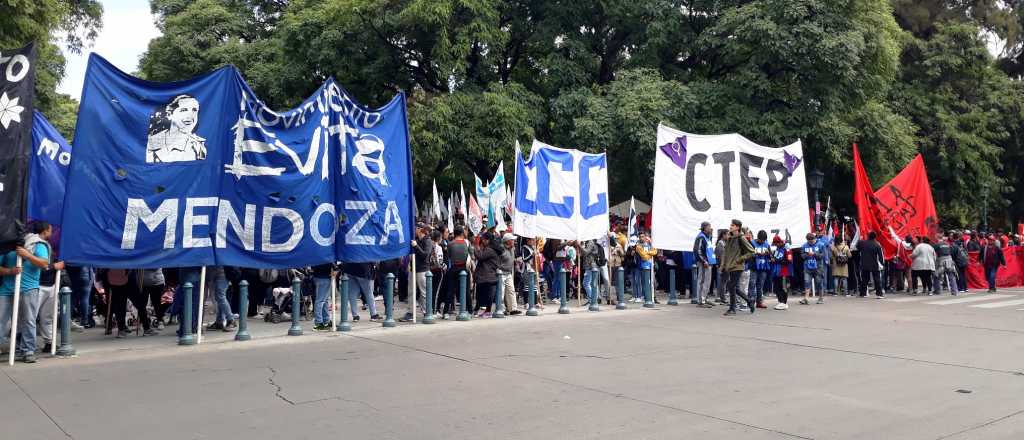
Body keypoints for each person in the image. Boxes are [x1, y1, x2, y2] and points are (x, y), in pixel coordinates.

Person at [1, 222, 60, 362]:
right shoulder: (6, 245)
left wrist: (27, 255)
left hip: (28, 288)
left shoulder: (37, 244)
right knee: (1, 320)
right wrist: (10, 271)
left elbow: (44, 263)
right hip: (7, 289)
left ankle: (27, 350)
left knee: (28, 320)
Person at [146, 94, 206, 163]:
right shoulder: (152, 141)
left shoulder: (198, 147)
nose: (190, 115)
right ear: (169, 115)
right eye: (183, 110)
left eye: (194, 110)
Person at [721, 220, 755, 316]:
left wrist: (740, 259)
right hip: (730, 266)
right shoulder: (730, 238)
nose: (730, 227)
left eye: (733, 225)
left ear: (737, 227)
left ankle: (732, 308)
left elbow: (752, 251)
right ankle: (749, 301)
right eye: (731, 225)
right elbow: (725, 253)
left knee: (731, 286)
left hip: (737, 266)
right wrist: (723, 265)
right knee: (733, 287)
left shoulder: (741, 238)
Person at [402, 225, 433, 322]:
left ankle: (427, 311)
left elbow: (425, 255)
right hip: (413, 269)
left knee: (424, 293)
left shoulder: (427, 241)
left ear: (420, 230)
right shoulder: (416, 240)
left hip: (422, 270)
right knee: (411, 291)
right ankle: (411, 312)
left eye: (416, 229)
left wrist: (416, 246)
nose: (414, 230)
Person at [445, 227, 473, 317]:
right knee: (467, 291)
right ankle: (470, 311)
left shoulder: (450, 244)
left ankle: (445, 312)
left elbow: (449, 256)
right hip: (465, 269)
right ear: (461, 233)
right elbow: (471, 254)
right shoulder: (467, 243)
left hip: (453, 268)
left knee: (450, 291)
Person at [473, 232, 500, 317]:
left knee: (484, 294)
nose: (482, 241)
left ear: (488, 240)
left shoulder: (489, 250)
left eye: (484, 239)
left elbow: (480, 256)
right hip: (487, 275)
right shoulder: (490, 248)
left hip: (487, 276)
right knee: (482, 294)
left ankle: (486, 311)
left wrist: (476, 247)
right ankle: (481, 310)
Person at [692, 222, 716, 308]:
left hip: (709, 262)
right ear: (704, 228)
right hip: (704, 262)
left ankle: (704, 298)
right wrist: (704, 261)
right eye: (709, 227)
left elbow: (708, 248)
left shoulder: (707, 237)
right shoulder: (701, 237)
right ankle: (700, 301)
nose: (710, 228)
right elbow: (697, 251)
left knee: (707, 281)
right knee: (702, 281)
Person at [856, 231, 885, 298]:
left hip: (864, 264)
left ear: (868, 236)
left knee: (864, 279)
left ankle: (863, 293)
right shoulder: (877, 244)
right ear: (875, 237)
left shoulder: (863, 243)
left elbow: (857, 247)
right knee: (877, 279)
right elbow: (881, 256)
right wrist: (882, 264)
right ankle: (879, 294)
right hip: (874, 264)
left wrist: (860, 239)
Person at [799, 233, 825, 305]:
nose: (810, 242)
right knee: (807, 282)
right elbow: (802, 256)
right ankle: (806, 298)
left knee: (819, 282)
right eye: (809, 241)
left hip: (818, 268)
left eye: (812, 241)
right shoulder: (804, 246)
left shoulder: (821, 245)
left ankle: (821, 298)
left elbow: (822, 255)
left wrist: (814, 254)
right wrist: (807, 254)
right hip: (807, 268)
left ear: (814, 239)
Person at [500, 234, 521, 315]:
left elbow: (512, 259)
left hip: (508, 273)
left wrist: (516, 261)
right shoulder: (501, 249)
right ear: (508, 241)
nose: (514, 241)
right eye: (512, 240)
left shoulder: (512, 249)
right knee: (501, 292)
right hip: (501, 273)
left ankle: (512, 308)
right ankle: (501, 309)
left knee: (511, 290)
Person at [635, 233, 658, 303]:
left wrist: (647, 253)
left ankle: (653, 297)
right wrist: (650, 254)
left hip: (651, 266)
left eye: (643, 236)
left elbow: (655, 251)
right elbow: (644, 257)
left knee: (653, 282)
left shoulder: (649, 244)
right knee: (645, 283)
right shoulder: (638, 246)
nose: (642, 238)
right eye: (640, 237)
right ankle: (647, 297)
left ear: (645, 237)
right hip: (643, 267)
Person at [311, 263, 334, 331]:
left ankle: (326, 321)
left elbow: (313, 267)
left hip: (318, 276)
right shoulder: (327, 255)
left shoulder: (317, 254)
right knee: (321, 301)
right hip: (325, 277)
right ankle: (319, 323)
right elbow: (334, 266)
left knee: (324, 300)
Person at [752, 230, 771, 308]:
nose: (762, 241)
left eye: (764, 240)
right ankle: (751, 302)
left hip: (763, 267)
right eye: (761, 240)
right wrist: (757, 253)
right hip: (754, 267)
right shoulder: (752, 243)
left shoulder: (766, 244)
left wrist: (768, 253)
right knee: (752, 284)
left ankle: (759, 302)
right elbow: (749, 254)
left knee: (760, 285)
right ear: (758, 238)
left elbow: (770, 255)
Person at [770, 236, 790, 309]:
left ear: (780, 242)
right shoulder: (777, 249)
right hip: (776, 271)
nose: (775, 245)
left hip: (783, 271)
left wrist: (776, 260)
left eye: (776, 243)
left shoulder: (787, 249)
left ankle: (784, 302)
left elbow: (788, 261)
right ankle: (780, 301)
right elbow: (775, 258)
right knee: (776, 287)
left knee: (783, 287)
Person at [582, 239, 601, 306]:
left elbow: (586, 252)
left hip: (590, 265)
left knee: (586, 283)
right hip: (591, 265)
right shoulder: (588, 242)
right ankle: (595, 298)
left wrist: (579, 245)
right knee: (592, 283)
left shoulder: (590, 242)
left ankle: (592, 300)